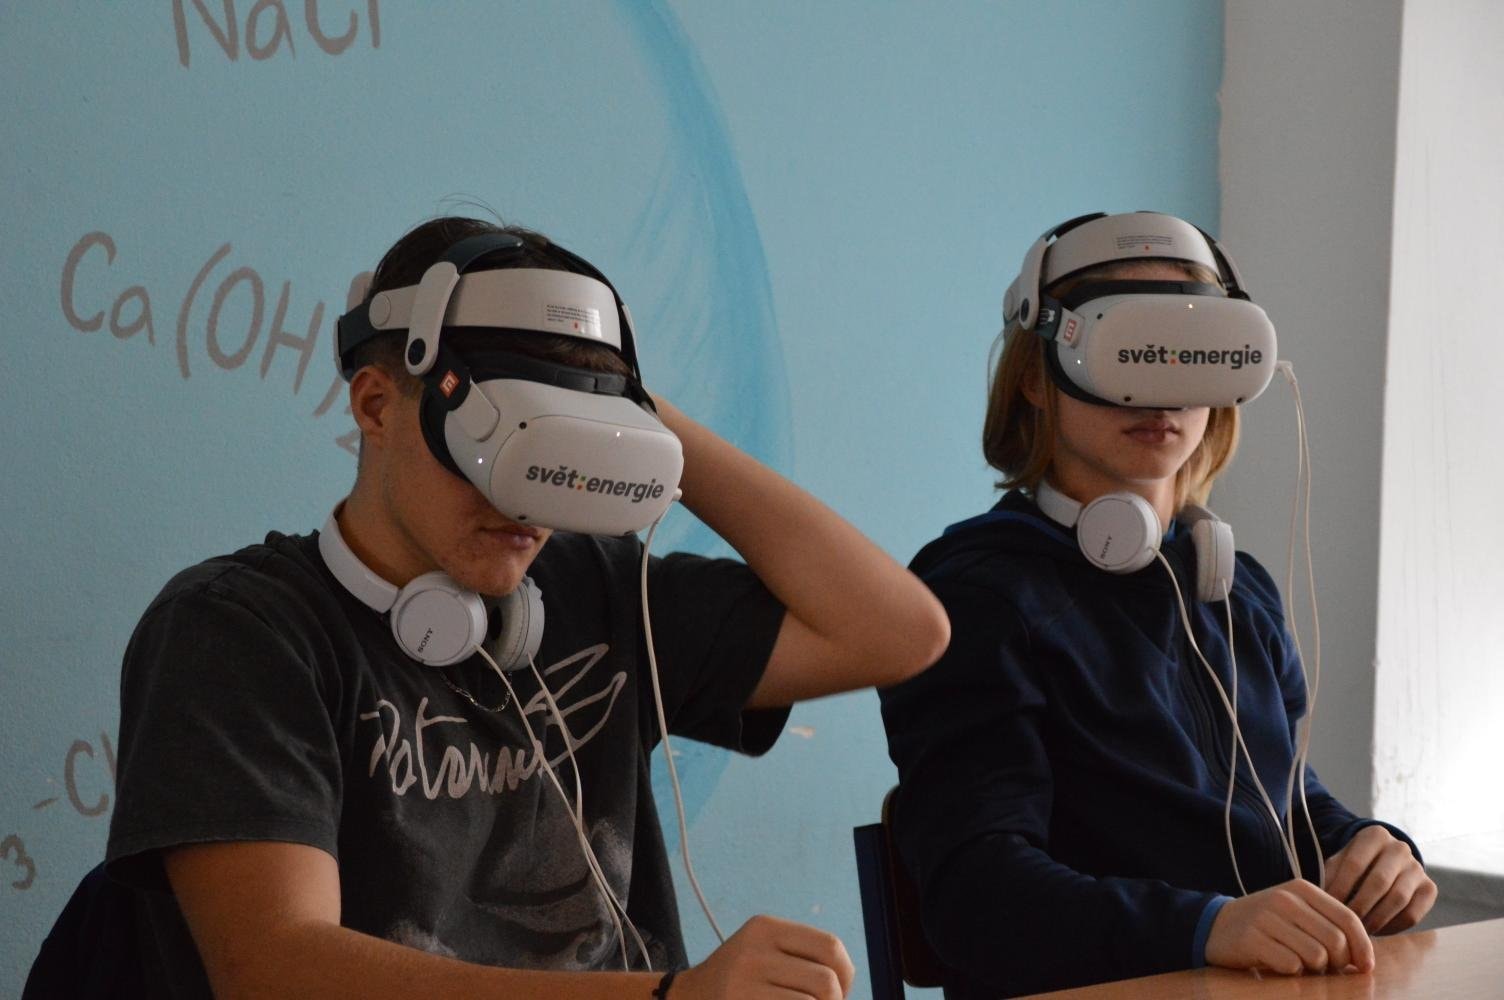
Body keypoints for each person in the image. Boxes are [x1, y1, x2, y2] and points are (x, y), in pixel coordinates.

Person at [98, 216, 950, 999]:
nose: (526, 502)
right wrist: (670, 998)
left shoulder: (597, 590)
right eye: (498, 441)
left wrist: (627, 410)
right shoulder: (238, 630)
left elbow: (899, 632)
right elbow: (276, 970)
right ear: (375, 405)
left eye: (558, 451)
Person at [878, 211, 1436, 998]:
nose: (1162, 390)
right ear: (1036, 376)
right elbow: (977, 896)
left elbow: (1278, 796)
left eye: (1195, 351)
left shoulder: (1233, 587)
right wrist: (1205, 926)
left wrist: (1364, 848)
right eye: (1128, 349)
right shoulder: (975, 598)